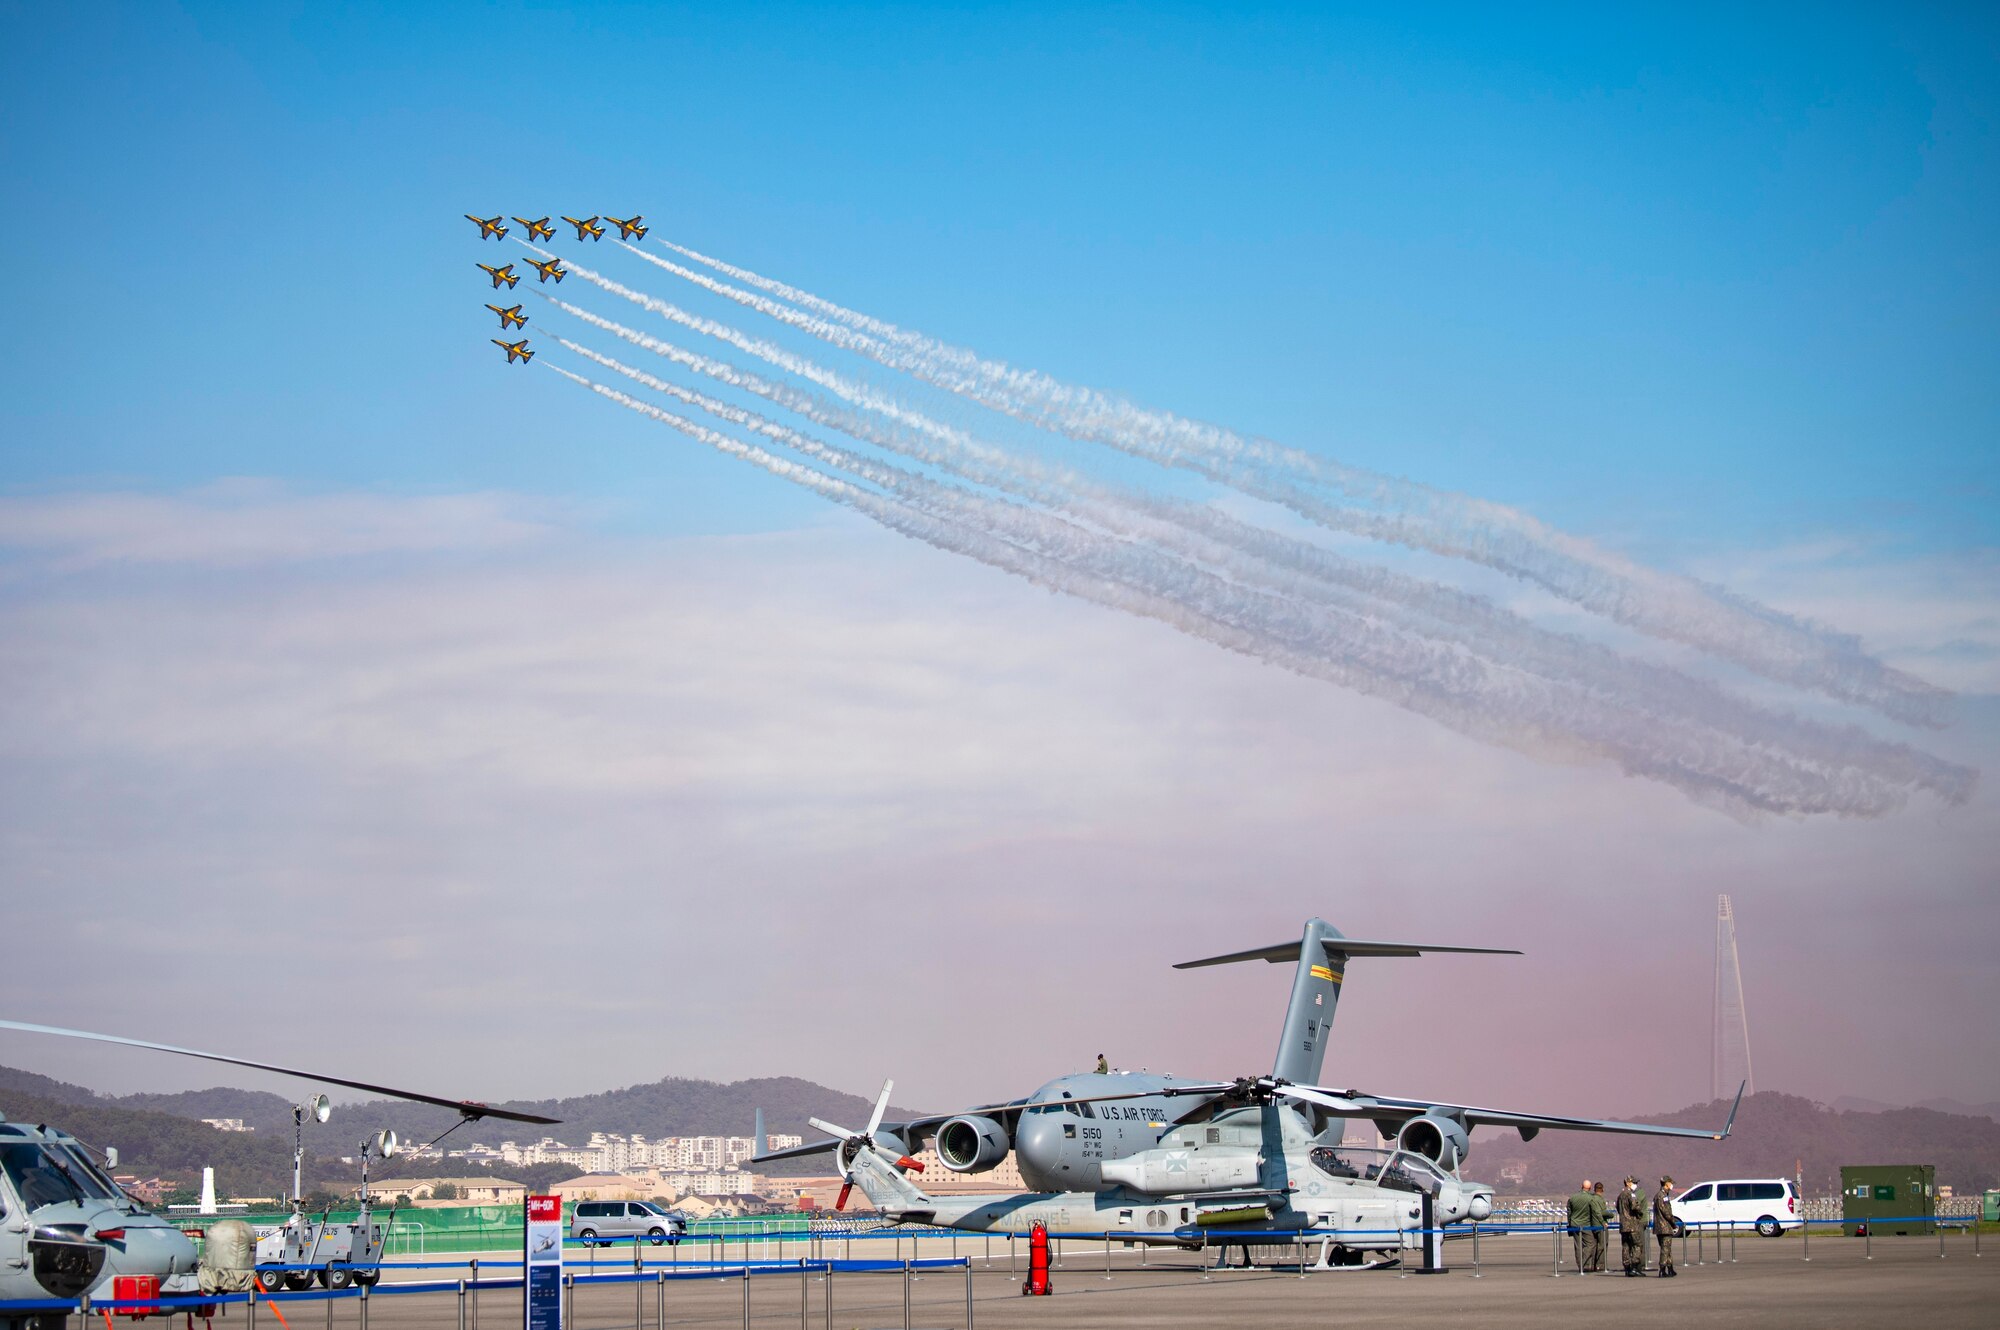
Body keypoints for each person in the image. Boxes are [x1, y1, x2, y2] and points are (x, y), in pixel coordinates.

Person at [1616, 1175, 1647, 1276]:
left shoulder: (1620, 1195)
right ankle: (1634, 1266)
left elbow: (1618, 1207)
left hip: (1623, 1225)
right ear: (1628, 1183)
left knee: (1626, 1246)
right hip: (1632, 1225)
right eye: (1634, 1183)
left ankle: (1627, 1268)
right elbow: (1635, 1206)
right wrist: (1639, 1213)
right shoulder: (1630, 1194)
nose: (1635, 1185)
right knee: (1638, 1245)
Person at [1566, 1180, 1595, 1272]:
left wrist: (1570, 1223)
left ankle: (1580, 1264)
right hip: (1586, 1224)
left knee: (1577, 1246)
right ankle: (1583, 1262)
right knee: (1590, 1244)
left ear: (1581, 1186)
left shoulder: (1572, 1198)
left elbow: (1569, 1212)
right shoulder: (1591, 1198)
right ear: (1590, 1188)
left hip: (1574, 1224)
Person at [1652, 1176, 1678, 1277]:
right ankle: (1662, 1269)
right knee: (1665, 1249)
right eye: (1670, 1183)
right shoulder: (1662, 1196)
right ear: (1666, 1183)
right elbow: (1666, 1212)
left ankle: (1670, 1268)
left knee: (1667, 1249)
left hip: (1661, 1227)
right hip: (1664, 1227)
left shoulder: (1662, 1195)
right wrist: (1673, 1223)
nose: (1671, 1185)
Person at [1587, 1181, 1609, 1272]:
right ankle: (1600, 1265)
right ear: (1602, 1189)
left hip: (1593, 1224)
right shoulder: (1600, 1200)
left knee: (1594, 1246)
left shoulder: (1591, 1198)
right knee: (1602, 1245)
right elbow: (1599, 1212)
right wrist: (1603, 1222)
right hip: (1600, 1225)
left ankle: (1592, 1264)